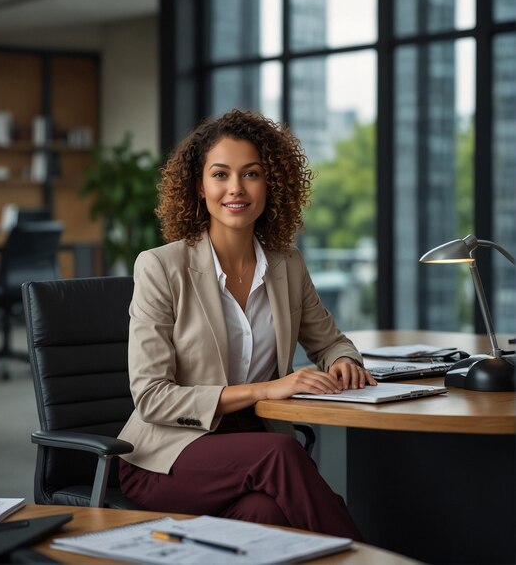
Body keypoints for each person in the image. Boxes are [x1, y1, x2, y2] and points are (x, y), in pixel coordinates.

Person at [117, 109, 375, 539]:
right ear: (200, 186)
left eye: (251, 174)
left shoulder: (286, 264)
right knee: (280, 454)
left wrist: (343, 360)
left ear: (270, 183)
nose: (235, 189)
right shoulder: (162, 267)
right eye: (220, 174)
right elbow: (152, 398)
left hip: (248, 448)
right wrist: (265, 389)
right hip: (166, 456)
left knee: (262, 512)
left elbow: (331, 341)